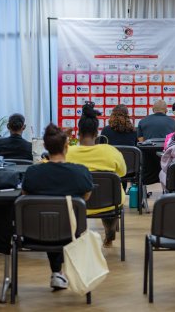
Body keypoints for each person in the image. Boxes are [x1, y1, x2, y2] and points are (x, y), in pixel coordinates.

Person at [22, 124, 94, 290]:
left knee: (49, 216)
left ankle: (57, 272)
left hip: (36, 231)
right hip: (71, 231)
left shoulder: (32, 172)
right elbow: (85, 197)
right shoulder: (80, 172)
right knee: (62, 217)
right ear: (66, 146)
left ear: (45, 146)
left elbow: (25, 194)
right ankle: (60, 273)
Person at [66, 102, 126, 247]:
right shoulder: (110, 151)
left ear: (78, 133)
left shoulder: (67, 152)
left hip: (76, 204)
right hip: (110, 204)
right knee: (110, 191)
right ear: (97, 133)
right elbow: (122, 173)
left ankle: (75, 234)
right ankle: (109, 232)